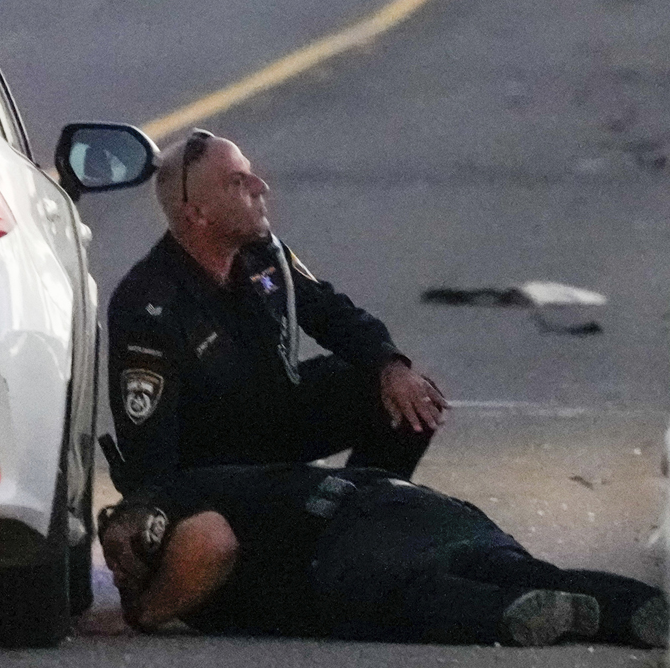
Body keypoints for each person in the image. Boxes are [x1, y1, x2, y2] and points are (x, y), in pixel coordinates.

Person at [105, 131, 448, 503]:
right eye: (238, 182)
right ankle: (322, 517)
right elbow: (148, 446)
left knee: (410, 401)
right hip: (211, 467)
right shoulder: (149, 303)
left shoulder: (262, 255)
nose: (261, 186)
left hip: (271, 420)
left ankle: (358, 513)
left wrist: (390, 365)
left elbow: (330, 312)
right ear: (197, 214)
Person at [97, 464, 668, 648]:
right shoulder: (183, 509)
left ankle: (507, 613)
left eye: (118, 561)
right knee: (521, 568)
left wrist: (142, 616)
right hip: (417, 507)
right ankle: (638, 613)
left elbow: (212, 546)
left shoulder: (162, 510)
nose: (117, 569)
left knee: (390, 600)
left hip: (351, 531)